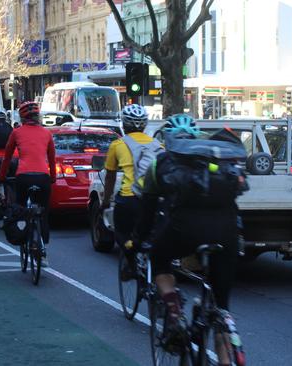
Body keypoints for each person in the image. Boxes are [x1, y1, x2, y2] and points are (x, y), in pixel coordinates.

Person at [131, 114, 248, 358]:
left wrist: (138, 240)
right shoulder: (220, 161)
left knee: (159, 258)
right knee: (221, 305)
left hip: (185, 229)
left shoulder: (161, 162)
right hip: (227, 234)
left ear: (168, 139)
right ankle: (225, 352)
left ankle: (173, 310)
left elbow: (147, 209)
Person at [102, 104, 160, 280]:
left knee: (120, 232)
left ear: (124, 125)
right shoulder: (158, 145)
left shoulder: (117, 145)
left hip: (129, 198)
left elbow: (110, 176)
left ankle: (131, 262)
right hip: (153, 198)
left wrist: (105, 202)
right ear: (144, 125)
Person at [0, 101, 56, 255]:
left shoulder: (16, 132)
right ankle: (43, 249)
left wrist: (2, 177)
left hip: (23, 177)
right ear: (38, 116)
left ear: (22, 117)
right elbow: (52, 159)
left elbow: (7, 157)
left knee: (20, 209)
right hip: (43, 177)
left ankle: (23, 237)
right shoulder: (47, 133)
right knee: (43, 213)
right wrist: (53, 178)